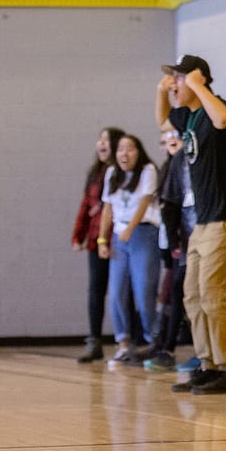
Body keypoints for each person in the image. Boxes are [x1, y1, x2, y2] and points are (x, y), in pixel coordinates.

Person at [157, 54, 226, 394]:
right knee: (193, 295)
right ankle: (208, 363)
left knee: (214, 294)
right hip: (205, 219)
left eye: (177, 78)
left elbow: (224, 117)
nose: (173, 84)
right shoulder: (189, 116)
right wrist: (164, 89)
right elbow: (162, 121)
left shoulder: (216, 109)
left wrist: (198, 85)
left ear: (197, 78)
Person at [98, 133, 161, 363]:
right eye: (121, 149)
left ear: (139, 151)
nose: (125, 153)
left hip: (143, 233)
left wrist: (130, 228)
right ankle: (123, 342)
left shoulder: (148, 171)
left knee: (144, 290)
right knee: (116, 292)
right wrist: (102, 240)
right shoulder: (112, 173)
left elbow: (145, 202)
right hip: (119, 236)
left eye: (130, 148)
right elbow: (107, 208)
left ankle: (154, 340)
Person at [144, 129, 195, 372]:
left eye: (174, 139)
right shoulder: (171, 167)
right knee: (172, 293)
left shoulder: (188, 165)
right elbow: (169, 208)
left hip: (187, 240)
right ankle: (163, 345)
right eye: (165, 141)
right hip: (174, 242)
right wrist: (173, 243)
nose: (170, 143)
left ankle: (171, 346)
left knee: (181, 292)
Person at [72, 127, 124, 363]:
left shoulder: (122, 172)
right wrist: (78, 235)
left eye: (106, 140)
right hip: (96, 240)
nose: (101, 143)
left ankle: (128, 341)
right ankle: (94, 341)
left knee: (121, 291)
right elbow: (86, 205)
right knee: (96, 291)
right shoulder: (94, 173)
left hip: (118, 240)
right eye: (100, 139)